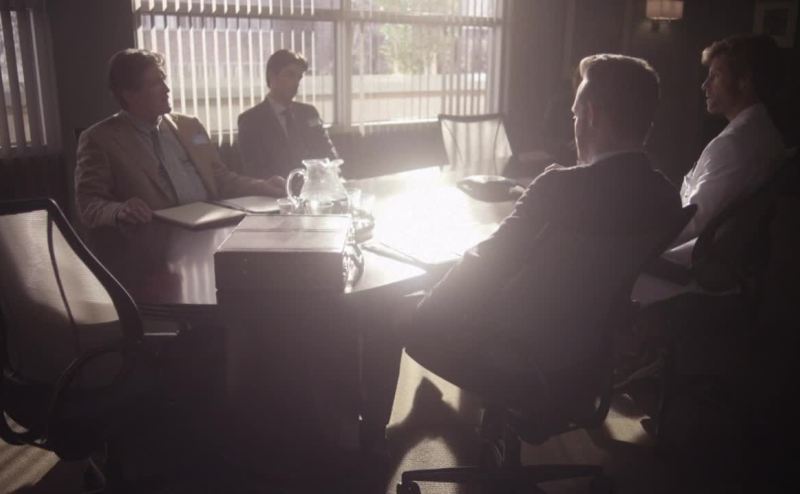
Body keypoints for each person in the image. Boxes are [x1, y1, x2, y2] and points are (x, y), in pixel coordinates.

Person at [364, 54, 682, 437]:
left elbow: (485, 262)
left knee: (386, 312)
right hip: (586, 353)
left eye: (575, 115)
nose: (574, 125)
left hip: (513, 349)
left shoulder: (558, 188)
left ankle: (374, 441)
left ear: (591, 115)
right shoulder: (666, 196)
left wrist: (426, 314)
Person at [75, 49, 285, 229]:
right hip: (156, 238)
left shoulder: (190, 126)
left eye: (163, 79)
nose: (167, 89)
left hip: (211, 226)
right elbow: (88, 204)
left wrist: (262, 186)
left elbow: (220, 178)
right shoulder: (100, 139)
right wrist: (119, 210)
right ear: (129, 94)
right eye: (156, 83)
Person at [671, 33, 785, 250]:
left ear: (744, 81)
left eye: (715, 76)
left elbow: (692, 221)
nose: (705, 85)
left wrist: (640, 246)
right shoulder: (763, 131)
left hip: (692, 259)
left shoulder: (734, 145)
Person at [237, 49, 338, 179]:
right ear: (272, 76)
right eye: (290, 75)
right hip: (277, 189)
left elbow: (328, 154)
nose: (296, 83)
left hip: (317, 185)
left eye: (299, 77)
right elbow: (256, 172)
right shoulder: (251, 121)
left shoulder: (309, 113)